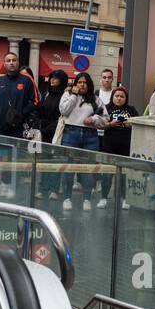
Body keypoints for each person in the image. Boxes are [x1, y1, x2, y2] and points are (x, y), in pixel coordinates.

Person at [58, 71, 102, 211]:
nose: (82, 85)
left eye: (85, 83)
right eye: (79, 82)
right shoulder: (68, 95)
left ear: (89, 85)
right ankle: (66, 198)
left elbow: (105, 117)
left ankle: (87, 198)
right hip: (71, 133)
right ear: (75, 83)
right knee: (68, 167)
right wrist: (74, 95)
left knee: (88, 169)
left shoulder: (95, 99)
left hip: (90, 134)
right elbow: (64, 111)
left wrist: (93, 119)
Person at [98, 84, 136, 209]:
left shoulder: (131, 110)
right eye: (117, 96)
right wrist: (110, 124)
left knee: (124, 175)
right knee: (107, 174)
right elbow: (99, 124)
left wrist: (130, 124)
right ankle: (103, 197)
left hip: (126, 147)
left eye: (122, 96)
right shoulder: (106, 108)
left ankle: (124, 198)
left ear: (126, 98)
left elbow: (138, 123)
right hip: (109, 146)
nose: (119, 98)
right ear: (112, 97)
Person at [35, 69, 68, 199]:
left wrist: (47, 128)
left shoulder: (65, 96)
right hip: (44, 132)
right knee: (44, 161)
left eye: (56, 77)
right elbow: (41, 111)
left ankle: (54, 188)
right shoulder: (47, 94)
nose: (52, 80)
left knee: (56, 161)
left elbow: (62, 117)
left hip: (57, 132)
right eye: (51, 77)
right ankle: (42, 189)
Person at [0, 51, 38, 138]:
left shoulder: (27, 80)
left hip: (19, 128)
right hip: (1, 128)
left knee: (18, 151)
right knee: (0, 150)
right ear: (4, 64)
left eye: (14, 60)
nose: (11, 63)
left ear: (18, 63)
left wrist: (22, 113)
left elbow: (36, 101)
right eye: (8, 61)